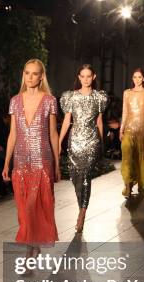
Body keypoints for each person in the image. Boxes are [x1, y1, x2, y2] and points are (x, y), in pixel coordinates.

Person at [3, 58, 59, 257]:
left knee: (36, 206)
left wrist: (58, 165)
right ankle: (32, 244)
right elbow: (13, 134)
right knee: (23, 208)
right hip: (20, 161)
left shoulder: (49, 101)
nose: (30, 77)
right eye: (27, 73)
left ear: (41, 76)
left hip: (42, 160)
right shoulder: (15, 101)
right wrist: (6, 162)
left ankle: (30, 249)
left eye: (34, 73)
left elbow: (53, 134)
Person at [59, 64, 108, 232]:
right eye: (83, 76)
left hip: (92, 140)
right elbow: (67, 120)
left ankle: (82, 213)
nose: (86, 79)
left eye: (89, 76)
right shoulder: (70, 97)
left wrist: (101, 143)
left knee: (85, 176)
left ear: (93, 77)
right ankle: (82, 205)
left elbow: (99, 121)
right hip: (75, 141)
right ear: (79, 77)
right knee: (75, 177)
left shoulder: (99, 97)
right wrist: (59, 142)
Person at [120, 68, 144, 198]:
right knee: (127, 157)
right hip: (128, 129)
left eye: (139, 77)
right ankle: (128, 185)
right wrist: (121, 129)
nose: (137, 79)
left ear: (143, 79)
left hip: (142, 130)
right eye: (135, 77)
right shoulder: (127, 93)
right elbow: (124, 112)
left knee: (141, 159)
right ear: (132, 78)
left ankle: (142, 185)